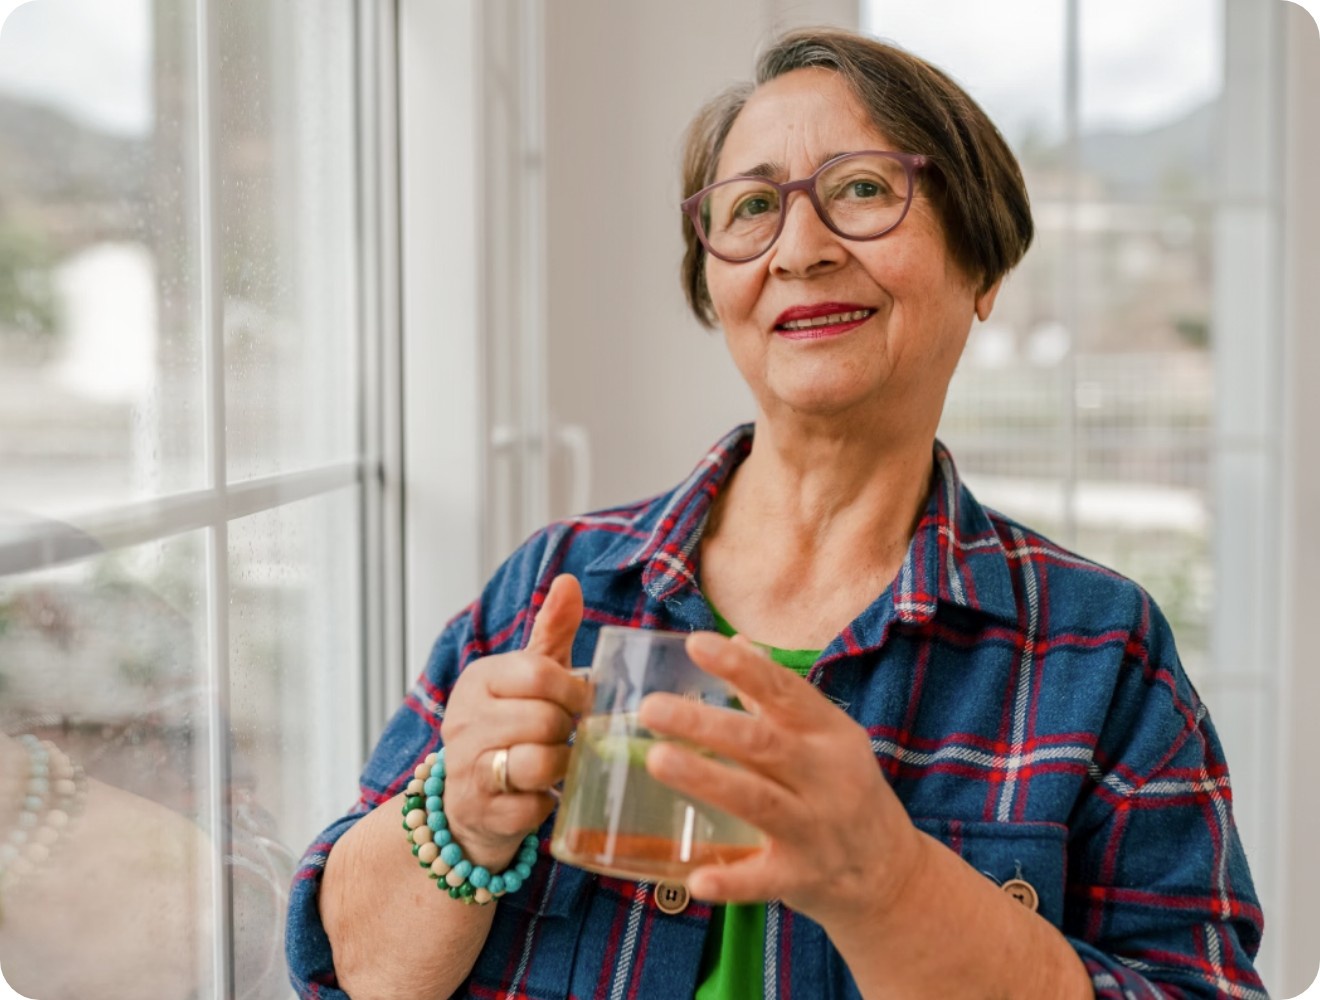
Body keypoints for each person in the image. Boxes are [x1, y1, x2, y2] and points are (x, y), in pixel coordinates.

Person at [286, 27, 1265, 999]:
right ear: (713, 284)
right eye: (752, 207)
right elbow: (348, 971)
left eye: (866, 189)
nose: (800, 249)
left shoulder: (1103, 655)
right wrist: (459, 820)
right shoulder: (555, 586)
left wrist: (892, 882)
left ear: (986, 263)